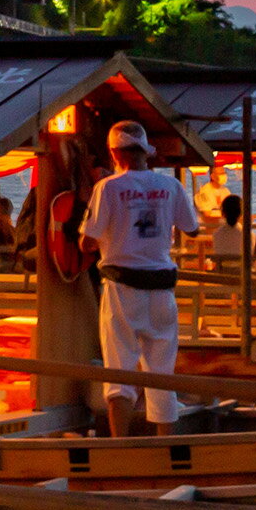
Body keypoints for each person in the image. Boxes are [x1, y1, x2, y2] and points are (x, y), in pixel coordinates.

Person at [80, 120, 199, 436]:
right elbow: (192, 228)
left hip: (122, 288)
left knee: (119, 370)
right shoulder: (171, 187)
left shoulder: (108, 188)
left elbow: (87, 242)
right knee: (161, 370)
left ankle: (122, 447)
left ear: (114, 153)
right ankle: (165, 447)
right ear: (145, 150)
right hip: (162, 288)